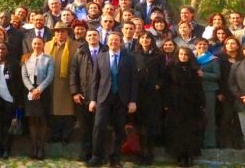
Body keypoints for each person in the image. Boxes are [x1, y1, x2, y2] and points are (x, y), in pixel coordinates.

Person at [87, 32, 138, 168]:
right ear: (107, 42)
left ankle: (115, 158)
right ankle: (97, 156)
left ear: (120, 42)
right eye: (111, 40)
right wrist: (93, 99)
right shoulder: (100, 57)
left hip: (121, 99)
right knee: (99, 127)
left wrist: (132, 100)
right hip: (103, 98)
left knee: (119, 129)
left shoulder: (129, 58)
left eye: (116, 40)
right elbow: (95, 80)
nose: (114, 42)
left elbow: (133, 81)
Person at [165, 46, 205, 167]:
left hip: (191, 105)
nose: (183, 56)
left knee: (191, 132)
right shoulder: (170, 68)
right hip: (175, 104)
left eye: (186, 54)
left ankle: (189, 156)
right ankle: (179, 156)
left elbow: (199, 88)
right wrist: (166, 103)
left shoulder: (195, 69)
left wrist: (201, 102)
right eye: (181, 54)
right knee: (177, 131)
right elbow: (166, 86)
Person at [70, 27, 104, 162]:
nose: (92, 38)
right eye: (89, 36)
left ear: (99, 37)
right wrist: (75, 92)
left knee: (98, 127)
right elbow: (73, 73)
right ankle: (85, 153)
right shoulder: (80, 52)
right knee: (85, 127)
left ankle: (98, 154)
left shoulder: (105, 51)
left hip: (101, 96)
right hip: (83, 95)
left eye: (94, 35)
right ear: (86, 37)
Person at [44, 21, 78, 144]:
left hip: (68, 83)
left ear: (67, 32)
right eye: (57, 31)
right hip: (50, 83)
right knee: (53, 110)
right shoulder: (47, 45)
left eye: (63, 31)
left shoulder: (76, 46)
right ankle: (54, 134)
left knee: (67, 112)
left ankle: (66, 136)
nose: (60, 33)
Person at [21, 36, 54, 160]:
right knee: (32, 120)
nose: (36, 46)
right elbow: (24, 76)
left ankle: (41, 147)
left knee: (42, 120)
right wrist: (31, 89)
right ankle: (34, 146)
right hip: (29, 91)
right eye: (34, 43)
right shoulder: (26, 58)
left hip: (43, 91)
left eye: (39, 44)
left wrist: (39, 89)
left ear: (43, 45)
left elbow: (50, 76)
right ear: (31, 44)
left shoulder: (49, 59)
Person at [135, 31, 165, 165]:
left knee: (151, 125)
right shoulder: (134, 55)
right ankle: (141, 153)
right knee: (139, 126)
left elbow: (164, 75)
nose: (145, 40)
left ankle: (150, 153)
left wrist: (158, 85)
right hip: (138, 94)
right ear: (139, 40)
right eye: (143, 37)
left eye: (148, 37)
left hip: (153, 95)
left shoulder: (159, 56)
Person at [217, 36, 243, 149]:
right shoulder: (220, 58)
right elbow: (219, 77)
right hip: (225, 92)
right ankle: (222, 141)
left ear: (238, 45)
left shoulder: (243, 58)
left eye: (233, 43)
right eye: (228, 44)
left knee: (238, 118)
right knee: (226, 117)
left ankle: (237, 142)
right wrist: (220, 92)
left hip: (240, 93)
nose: (230, 45)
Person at [194, 38, 221, 149]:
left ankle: (210, 142)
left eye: (204, 44)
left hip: (209, 90)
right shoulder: (192, 58)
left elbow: (217, 75)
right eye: (199, 44)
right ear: (195, 46)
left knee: (209, 116)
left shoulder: (213, 59)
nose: (202, 46)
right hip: (195, 91)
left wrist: (204, 74)